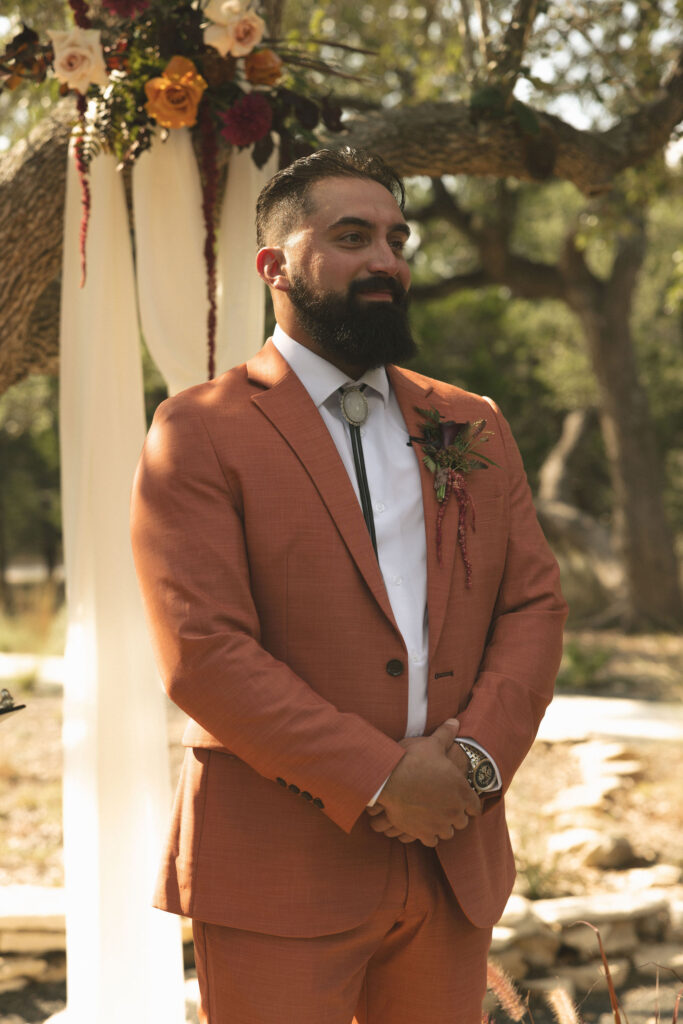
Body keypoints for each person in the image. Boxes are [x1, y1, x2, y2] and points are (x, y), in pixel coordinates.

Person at [130, 147, 567, 1024]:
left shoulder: (467, 421)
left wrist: (469, 766)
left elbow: (532, 604)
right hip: (279, 861)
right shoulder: (200, 430)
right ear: (275, 264)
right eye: (352, 236)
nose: (386, 260)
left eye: (397, 239)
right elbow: (204, 653)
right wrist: (380, 778)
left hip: (451, 846)